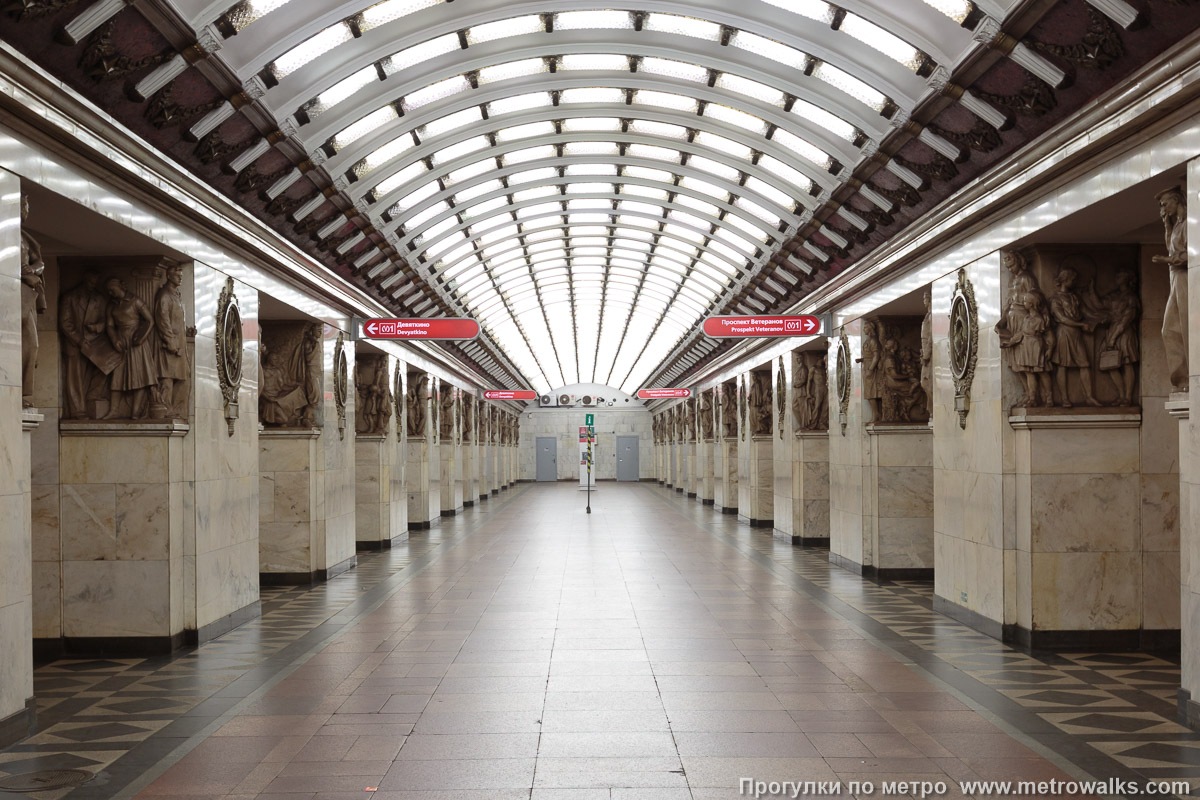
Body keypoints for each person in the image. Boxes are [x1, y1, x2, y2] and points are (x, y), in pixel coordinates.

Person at [102, 277, 157, 419]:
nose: (110, 292)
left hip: (135, 341)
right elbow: (109, 325)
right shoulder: (112, 305)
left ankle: (135, 411)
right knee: (117, 376)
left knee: (138, 376)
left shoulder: (135, 301)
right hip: (120, 340)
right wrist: (114, 339)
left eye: (112, 289)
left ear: (120, 287)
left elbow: (150, 320)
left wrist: (141, 337)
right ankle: (113, 410)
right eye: (108, 290)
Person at [1152, 186, 1188, 391]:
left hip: (1183, 277)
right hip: (1175, 277)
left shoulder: (1189, 223)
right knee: (1169, 329)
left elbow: (1190, 254)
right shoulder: (1177, 225)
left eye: (1165, 204)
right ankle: (1181, 377)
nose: (1163, 209)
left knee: (1181, 325)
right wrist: (1167, 226)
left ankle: (1186, 378)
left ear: (1177, 200)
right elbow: (1172, 247)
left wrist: (1167, 259)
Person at [1049, 267, 1101, 408]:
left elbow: (1085, 311)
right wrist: (1080, 324)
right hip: (1064, 333)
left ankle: (1089, 396)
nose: (1075, 282)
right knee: (1062, 365)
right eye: (1073, 279)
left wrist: (1100, 317)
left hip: (1076, 334)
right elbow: (1062, 318)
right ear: (1065, 280)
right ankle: (1064, 398)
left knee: (1085, 363)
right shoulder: (1055, 299)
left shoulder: (1074, 297)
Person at [59, 270, 108, 419]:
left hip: (95, 342)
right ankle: (77, 410)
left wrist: (98, 327)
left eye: (96, 282)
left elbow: (107, 320)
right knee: (75, 377)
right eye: (91, 282)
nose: (93, 285)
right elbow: (65, 323)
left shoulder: (100, 299)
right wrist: (79, 340)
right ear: (85, 279)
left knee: (106, 366)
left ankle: (92, 397)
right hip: (75, 344)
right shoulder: (70, 297)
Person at [20, 194, 47, 408]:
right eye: (23, 205)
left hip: (27, 295)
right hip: (15, 293)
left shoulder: (24, 236)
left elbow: (39, 262)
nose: (26, 210)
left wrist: (34, 270)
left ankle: (20, 393)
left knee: (32, 345)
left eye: (26, 206)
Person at [153, 266, 189, 419]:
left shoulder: (177, 296)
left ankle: (175, 408)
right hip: (170, 345)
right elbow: (163, 321)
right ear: (168, 276)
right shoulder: (164, 295)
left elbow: (178, 321)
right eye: (177, 276)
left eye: (181, 276)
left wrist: (187, 331)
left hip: (180, 343)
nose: (180, 278)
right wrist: (171, 341)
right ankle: (165, 408)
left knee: (183, 377)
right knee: (167, 378)